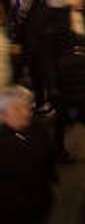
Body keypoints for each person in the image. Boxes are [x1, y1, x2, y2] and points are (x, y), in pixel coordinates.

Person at [0, 85, 56, 224]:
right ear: (3, 113)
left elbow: (48, 161)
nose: (25, 113)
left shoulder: (39, 129)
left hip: (38, 202)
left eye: (27, 108)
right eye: (17, 109)